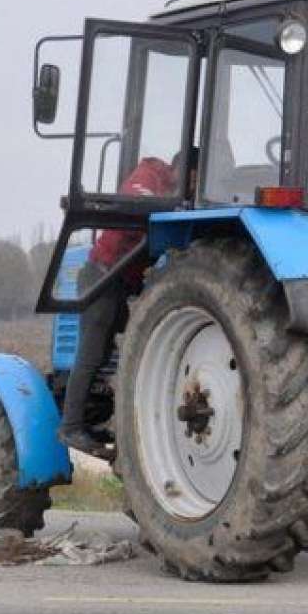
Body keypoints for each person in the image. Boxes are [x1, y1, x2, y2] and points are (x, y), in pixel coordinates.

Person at [57, 150, 192, 457]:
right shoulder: (148, 176)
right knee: (92, 351)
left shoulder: (173, 190)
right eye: (193, 177)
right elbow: (136, 204)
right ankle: (71, 425)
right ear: (182, 170)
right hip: (102, 276)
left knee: (111, 350)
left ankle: (93, 417)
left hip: (121, 283)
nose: (194, 185)